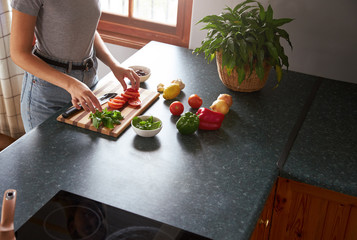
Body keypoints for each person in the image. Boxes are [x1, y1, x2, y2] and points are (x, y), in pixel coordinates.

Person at [10, 0, 140, 132]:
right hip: (48, 93)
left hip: (88, 85)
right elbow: (19, 54)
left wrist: (114, 65)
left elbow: (86, 30)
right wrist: (71, 84)